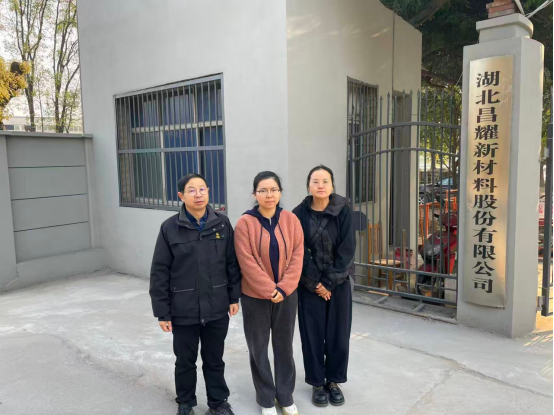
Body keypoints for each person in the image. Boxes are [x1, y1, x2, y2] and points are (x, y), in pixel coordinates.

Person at [149, 173, 241, 415]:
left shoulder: (222, 224)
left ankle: (218, 403)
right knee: (185, 361)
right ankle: (186, 403)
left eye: (202, 189)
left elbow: (231, 263)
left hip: (216, 306)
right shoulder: (170, 228)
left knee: (214, 359)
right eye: (192, 190)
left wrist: (234, 297)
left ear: (208, 192)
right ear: (181, 196)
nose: (198, 194)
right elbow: (159, 271)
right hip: (183, 309)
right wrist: (162, 312)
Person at [234, 171, 304, 415]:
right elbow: (246, 261)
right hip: (255, 297)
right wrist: (269, 288)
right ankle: (265, 399)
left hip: (287, 295)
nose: (269, 195)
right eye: (262, 190)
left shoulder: (291, 220)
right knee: (258, 348)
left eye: (274, 189)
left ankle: (285, 396)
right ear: (255, 194)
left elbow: (297, 255)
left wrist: (284, 287)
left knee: (284, 347)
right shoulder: (245, 223)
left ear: (280, 192)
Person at [292, 165, 356, 408]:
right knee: (312, 335)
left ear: (332, 185)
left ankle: (334, 381)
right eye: (315, 181)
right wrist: (315, 283)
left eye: (325, 181)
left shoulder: (344, 211)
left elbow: (347, 249)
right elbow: (298, 251)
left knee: (338, 335)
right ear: (308, 186)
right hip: (309, 285)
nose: (320, 185)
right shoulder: (298, 214)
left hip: (338, 284)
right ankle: (317, 382)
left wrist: (328, 282)